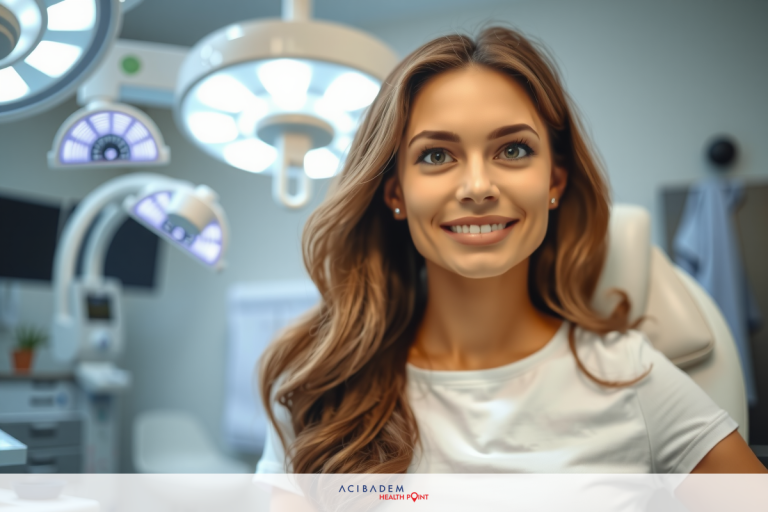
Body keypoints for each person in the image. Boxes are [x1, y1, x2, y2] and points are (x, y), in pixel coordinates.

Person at [256, 26, 765, 478]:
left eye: (513, 150)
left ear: (554, 182)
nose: (478, 187)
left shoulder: (632, 376)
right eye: (437, 155)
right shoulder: (317, 387)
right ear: (396, 194)